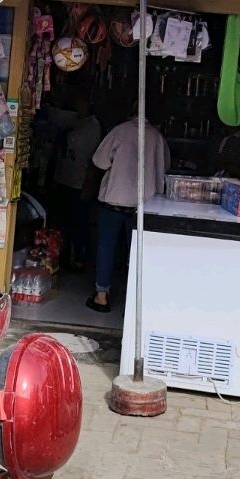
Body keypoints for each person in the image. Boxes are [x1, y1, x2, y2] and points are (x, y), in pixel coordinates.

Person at [87, 111, 169, 313]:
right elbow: (166, 166)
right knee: (139, 252)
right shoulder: (158, 138)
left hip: (115, 200)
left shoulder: (119, 131)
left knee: (106, 248)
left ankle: (101, 296)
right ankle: (135, 300)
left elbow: (99, 161)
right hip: (144, 205)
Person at [49, 91, 101, 271]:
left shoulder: (93, 126)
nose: (76, 104)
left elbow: (95, 159)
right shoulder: (74, 120)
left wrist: (89, 184)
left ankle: (80, 258)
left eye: (79, 101)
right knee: (64, 222)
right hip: (64, 177)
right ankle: (62, 258)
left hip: (79, 181)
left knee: (79, 222)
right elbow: (52, 115)